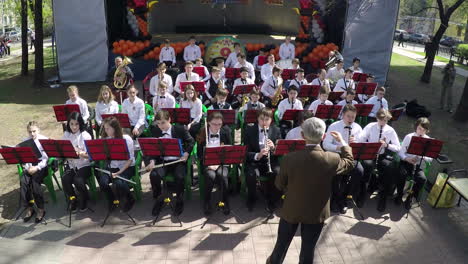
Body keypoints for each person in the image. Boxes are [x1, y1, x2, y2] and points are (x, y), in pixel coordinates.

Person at [266, 117, 354, 264]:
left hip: (292, 209)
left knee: (281, 246)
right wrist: (343, 143)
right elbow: (350, 163)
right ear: (323, 136)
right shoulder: (331, 158)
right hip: (316, 212)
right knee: (308, 250)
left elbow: (279, 185)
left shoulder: (289, 158)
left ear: (302, 136)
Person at [144, 110, 194, 216]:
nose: (160, 126)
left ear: (169, 120)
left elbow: (191, 141)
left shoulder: (180, 129)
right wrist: (152, 161)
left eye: (163, 122)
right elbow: (153, 150)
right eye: (158, 123)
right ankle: (158, 198)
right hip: (163, 161)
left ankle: (179, 200)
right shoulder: (156, 131)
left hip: (178, 161)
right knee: (154, 175)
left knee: (179, 176)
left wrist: (186, 153)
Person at [323, 105, 364, 212]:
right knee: (336, 173)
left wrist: (356, 143)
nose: (350, 119)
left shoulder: (358, 128)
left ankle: (344, 197)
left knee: (359, 171)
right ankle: (335, 199)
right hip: (336, 154)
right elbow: (326, 144)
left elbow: (361, 145)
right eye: (348, 116)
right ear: (342, 115)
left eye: (353, 117)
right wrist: (339, 147)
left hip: (351, 156)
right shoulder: (334, 126)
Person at [359, 109, 400, 211]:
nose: (383, 123)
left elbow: (398, 147)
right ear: (377, 118)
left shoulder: (390, 130)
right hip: (369, 154)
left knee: (390, 168)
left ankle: (383, 197)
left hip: (381, 155)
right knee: (367, 166)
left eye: (385, 120)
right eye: (381, 120)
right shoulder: (370, 126)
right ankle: (362, 193)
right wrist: (370, 145)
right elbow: (361, 139)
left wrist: (387, 145)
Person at [243, 108, 282, 212]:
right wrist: (257, 155)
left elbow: (280, 151)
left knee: (277, 172)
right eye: (261, 119)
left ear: (271, 120)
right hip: (255, 161)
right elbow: (246, 152)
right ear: (257, 119)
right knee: (250, 174)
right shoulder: (249, 130)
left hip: (271, 160)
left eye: (267, 119)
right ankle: (251, 198)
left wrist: (273, 147)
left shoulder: (276, 130)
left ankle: (271, 199)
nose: (264, 122)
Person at [196, 112, 232, 215]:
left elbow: (230, 150)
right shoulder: (203, 132)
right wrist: (208, 163)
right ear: (208, 123)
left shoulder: (226, 131)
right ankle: (207, 201)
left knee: (223, 176)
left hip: (222, 162)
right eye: (214, 124)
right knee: (210, 176)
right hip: (208, 163)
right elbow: (199, 154)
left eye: (219, 124)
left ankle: (225, 201)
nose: (217, 127)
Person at [98, 117, 136, 212]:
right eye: (105, 128)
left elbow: (130, 160)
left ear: (115, 128)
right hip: (112, 166)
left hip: (127, 167)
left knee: (119, 183)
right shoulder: (106, 140)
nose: (105, 131)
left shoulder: (126, 139)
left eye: (107, 128)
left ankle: (130, 198)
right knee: (102, 182)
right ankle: (112, 200)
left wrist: (119, 172)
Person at [396, 117, 432, 210]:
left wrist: (421, 156)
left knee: (422, 179)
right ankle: (399, 195)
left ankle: (410, 197)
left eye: (424, 130)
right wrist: (407, 158)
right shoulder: (409, 137)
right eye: (420, 128)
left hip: (417, 164)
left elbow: (430, 159)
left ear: (427, 130)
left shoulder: (428, 140)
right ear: (416, 127)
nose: (421, 131)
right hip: (406, 162)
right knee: (401, 174)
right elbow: (400, 152)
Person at [61, 112, 92, 212]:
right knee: (65, 179)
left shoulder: (86, 135)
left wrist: (80, 153)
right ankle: (73, 199)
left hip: (84, 165)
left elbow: (90, 156)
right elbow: (63, 150)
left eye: (77, 124)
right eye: (71, 124)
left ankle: (84, 198)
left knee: (78, 180)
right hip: (71, 164)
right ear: (68, 124)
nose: (74, 127)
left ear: (81, 123)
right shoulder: (66, 134)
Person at [19, 121, 49, 223]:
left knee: (35, 182)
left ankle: (41, 209)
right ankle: (29, 207)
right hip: (30, 166)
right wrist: (28, 167)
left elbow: (46, 159)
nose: (32, 134)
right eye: (30, 132)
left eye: (34, 131)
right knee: (23, 181)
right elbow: (24, 158)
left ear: (38, 130)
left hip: (41, 166)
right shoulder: (25, 141)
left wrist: (37, 168)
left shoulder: (44, 140)